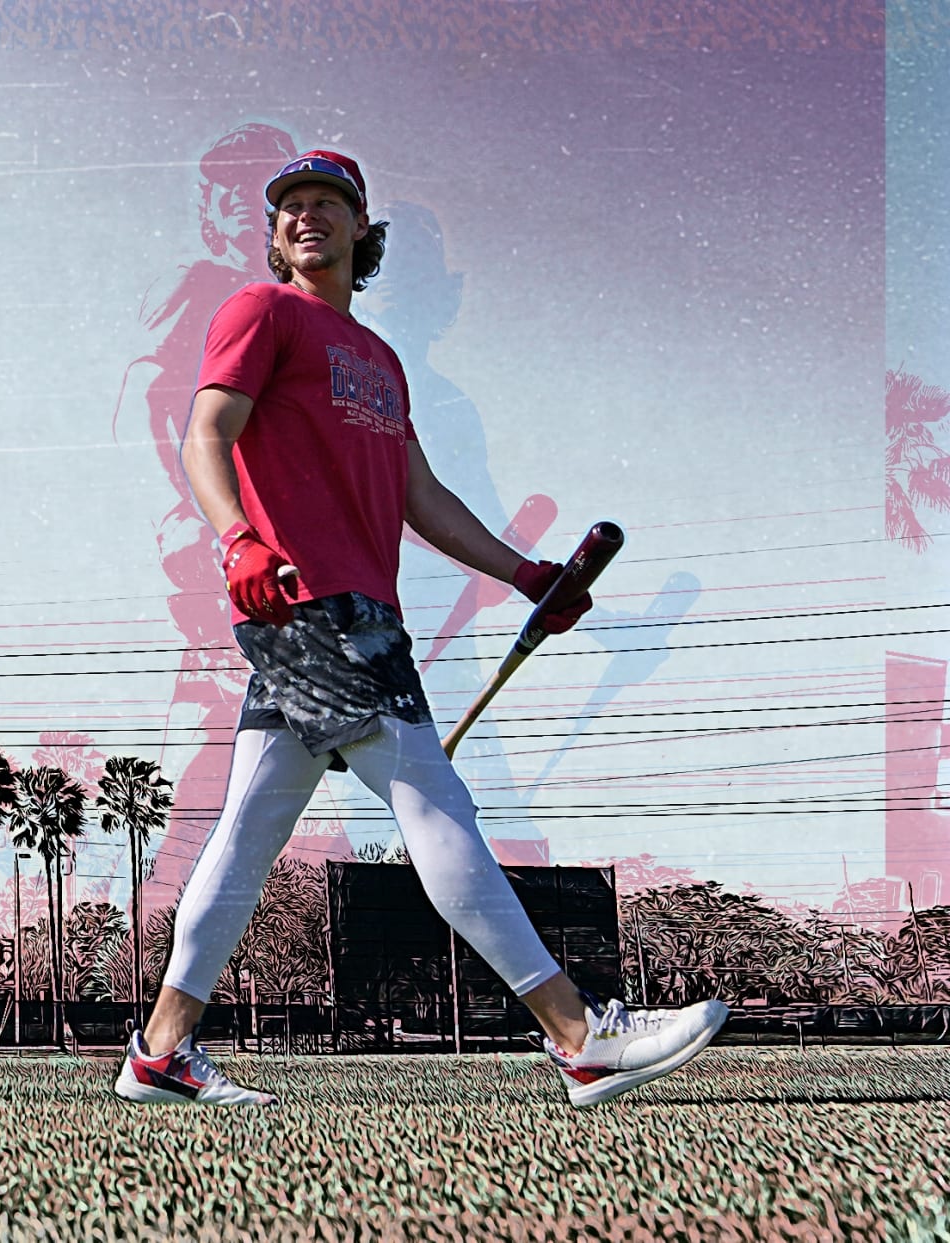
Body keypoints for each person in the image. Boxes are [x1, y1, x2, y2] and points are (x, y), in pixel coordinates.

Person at [113, 149, 727, 1110]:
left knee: (245, 836)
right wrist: (235, 537)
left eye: (328, 204)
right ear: (275, 236)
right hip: (312, 606)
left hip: (358, 612)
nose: (306, 217)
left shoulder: (381, 360)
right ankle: (577, 1034)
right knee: (438, 805)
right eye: (290, 208)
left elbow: (419, 496)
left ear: (363, 232)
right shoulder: (260, 313)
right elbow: (207, 434)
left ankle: (159, 1050)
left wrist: (530, 576)